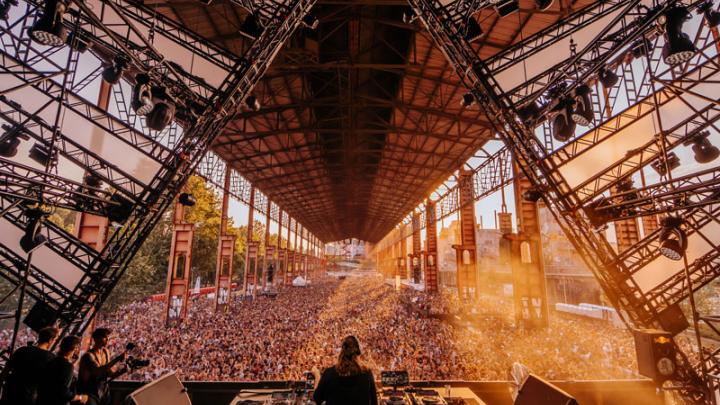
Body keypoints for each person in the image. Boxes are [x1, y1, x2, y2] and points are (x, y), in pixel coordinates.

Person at [0, 326, 60, 405]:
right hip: (28, 397)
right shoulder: (52, 359)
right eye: (55, 340)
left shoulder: (22, 350)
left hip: (9, 391)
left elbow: (5, 371)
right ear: (50, 340)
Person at [313, 336, 377, 405]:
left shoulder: (329, 373)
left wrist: (317, 376)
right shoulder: (367, 374)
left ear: (341, 352)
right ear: (358, 353)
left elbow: (317, 398)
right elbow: (374, 402)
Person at [77, 328, 127, 405]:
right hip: (90, 392)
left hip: (103, 391)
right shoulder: (88, 356)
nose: (107, 339)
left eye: (108, 337)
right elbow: (97, 371)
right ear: (96, 339)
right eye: (105, 337)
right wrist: (117, 359)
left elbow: (110, 373)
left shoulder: (106, 352)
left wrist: (123, 370)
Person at [37, 336, 88, 405]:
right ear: (75, 349)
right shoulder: (67, 367)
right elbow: (63, 392)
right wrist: (80, 397)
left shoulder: (51, 361)